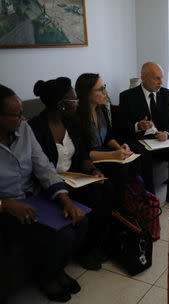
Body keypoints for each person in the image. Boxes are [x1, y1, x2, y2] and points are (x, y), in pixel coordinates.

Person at [0, 84, 87, 302]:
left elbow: (44, 167)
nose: (22, 118)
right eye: (16, 114)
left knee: (79, 221)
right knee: (59, 235)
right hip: (7, 208)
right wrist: (6, 204)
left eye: (22, 112)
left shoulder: (24, 130)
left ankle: (57, 270)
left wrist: (64, 200)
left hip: (34, 198)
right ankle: (47, 278)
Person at [29, 77, 113, 271]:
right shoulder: (36, 128)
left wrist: (92, 170)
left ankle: (95, 245)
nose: (78, 103)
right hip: (51, 185)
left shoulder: (71, 123)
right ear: (61, 105)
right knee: (92, 197)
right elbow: (39, 169)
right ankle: (83, 252)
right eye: (74, 100)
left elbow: (82, 154)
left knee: (106, 188)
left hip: (74, 178)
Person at [119, 62, 169, 210]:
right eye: (156, 78)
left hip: (162, 140)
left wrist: (167, 133)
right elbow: (121, 126)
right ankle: (149, 198)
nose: (160, 82)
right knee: (143, 156)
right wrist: (137, 126)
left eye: (161, 78)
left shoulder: (167, 94)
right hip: (141, 141)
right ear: (143, 78)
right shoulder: (127, 96)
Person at [75, 73, 137, 208]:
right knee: (120, 169)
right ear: (87, 93)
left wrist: (119, 148)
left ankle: (126, 207)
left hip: (103, 154)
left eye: (105, 87)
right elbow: (85, 153)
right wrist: (114, 155)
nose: (106, 92)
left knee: (132, 161)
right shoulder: (77, 117)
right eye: (101, 89)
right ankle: (118, 212)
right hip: (89, 163)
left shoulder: (101, 109)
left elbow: (108, 136)